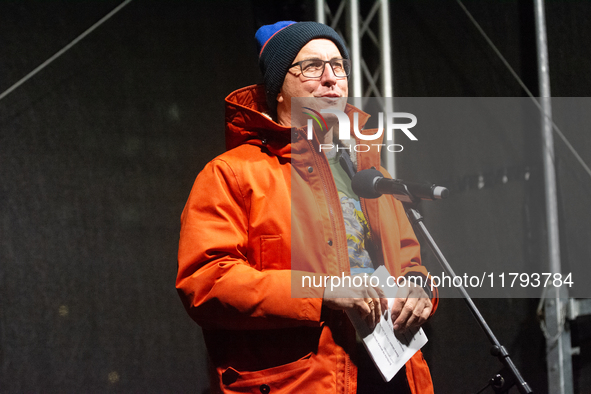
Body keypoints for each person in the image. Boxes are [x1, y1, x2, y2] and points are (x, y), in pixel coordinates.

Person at [177, 21, 438, 394]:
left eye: (339, 66)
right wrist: (320, 290)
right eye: (312, 67)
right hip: (300, 383)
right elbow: (206, 283)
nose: (331, 78)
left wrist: (419, 290)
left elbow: (410, 264)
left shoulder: (373, 175)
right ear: (277, 91)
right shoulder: (232, 174)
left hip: (396, 378)